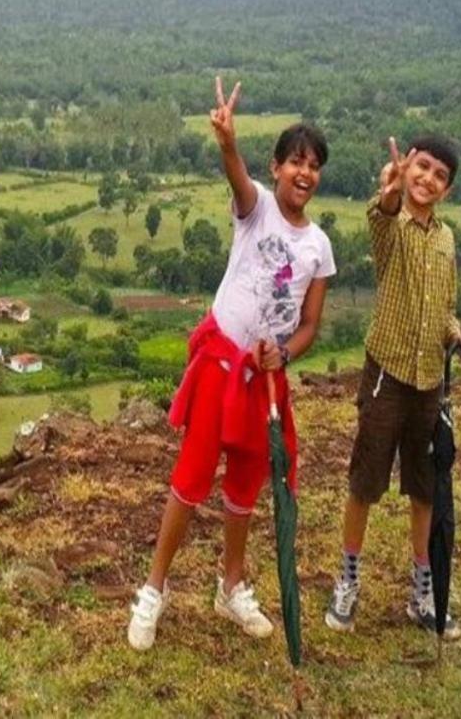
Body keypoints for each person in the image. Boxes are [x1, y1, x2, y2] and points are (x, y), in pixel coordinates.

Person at [127, 76, 336, 651]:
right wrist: (226, 140)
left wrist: (284, 353)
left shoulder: (319, 245)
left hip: (265, 377)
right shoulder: (257, 209)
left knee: (245, 484)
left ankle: (231, 586)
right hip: (222, 360)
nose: (305, 172)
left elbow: (311, 325)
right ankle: (153, 589)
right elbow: (235, 177)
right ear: (276, 167)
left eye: (314, 165)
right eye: (296, 161)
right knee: (191, 478)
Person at [324, 134, 461, 636]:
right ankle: (347, 580)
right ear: (405, 167)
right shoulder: (390, 226)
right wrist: (390, 191)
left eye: (440, 175)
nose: (428, 179)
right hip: (387, 375)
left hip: (429, 383)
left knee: (425, 488)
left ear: (448, 190)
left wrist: (460, 342)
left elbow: (445, 310)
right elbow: (381, 213)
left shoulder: (446, 240)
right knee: (366, 481)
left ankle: (423, 590)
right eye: (422, 167)